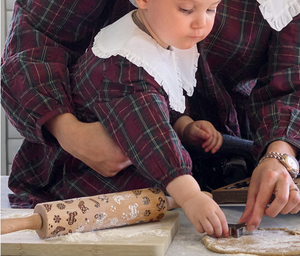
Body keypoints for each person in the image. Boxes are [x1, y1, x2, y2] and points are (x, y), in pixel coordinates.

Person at [1, 0, 300, 233]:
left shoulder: (164, 35)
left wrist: (183, 126)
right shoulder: (127, 64)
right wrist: (191, 196)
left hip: (187, 170)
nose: (201, 22)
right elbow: (152, 139)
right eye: (186, 8)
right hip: (90, 174)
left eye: (212, 9)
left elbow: (165, 98)